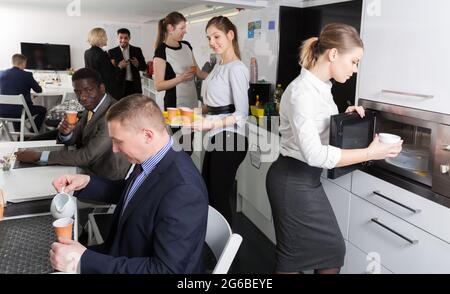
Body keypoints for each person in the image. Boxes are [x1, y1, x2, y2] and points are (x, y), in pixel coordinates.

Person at [265, 23, 403, 274]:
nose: (355, 70)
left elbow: (317, 131)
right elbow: (315, 153)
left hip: (304, 180)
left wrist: (344, 119)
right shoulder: (302, 93)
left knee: (328, 253)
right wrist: (370, 154)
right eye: (354, 62)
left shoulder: (322, 88)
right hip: (292, 181)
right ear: (333, 54)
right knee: (298, 256)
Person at [49, 95, 208, 274]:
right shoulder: (153, 159)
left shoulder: (183, 190)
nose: (115, 149)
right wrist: (87, 182)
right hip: (124, 256)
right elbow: (137, 194)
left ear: (147, 135)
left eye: (118, 141)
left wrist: (83, 261)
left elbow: (166, 270)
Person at [15, 68, 130, 181]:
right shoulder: (93, 105)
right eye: (77, 92)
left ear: (101, 88)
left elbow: (86, 156)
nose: (82, 97)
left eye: (89, 90)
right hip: (85, 167)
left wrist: (39, 156)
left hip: (105, 178)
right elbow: (75, 138)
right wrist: (67, 133)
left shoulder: (113, 114)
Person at [191, 16, 249, 225]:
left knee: (218, 197)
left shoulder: (237, 68)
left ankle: (226, 251)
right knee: (207, 191)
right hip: (218, 135)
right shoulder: (218, 65)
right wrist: (196, 111)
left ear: (230, 35)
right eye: (209, 38)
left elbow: (241, 113)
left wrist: (210, 123)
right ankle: (214, 245)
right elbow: (217, 104)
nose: (212, 42)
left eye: (216, 36)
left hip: (232, 139)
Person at [153, 11, 208, 110]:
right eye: (182, 28)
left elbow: (198, 72)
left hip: (192, 101)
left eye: (185, 28)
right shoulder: (161, 51)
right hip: (174, 105)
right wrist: (181, 78)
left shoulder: (186, 46)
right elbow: (158, 86)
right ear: (170, 28)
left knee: (192, 125)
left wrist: (216, 77)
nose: (185, 31)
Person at [0, 53, 47, 132]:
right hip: (20, 111)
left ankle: (18, 135)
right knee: (43, 110)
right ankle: (33, 132)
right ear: (23, 63)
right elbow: (39, 90)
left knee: (15, 106)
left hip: (2, 111)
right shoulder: (27, 75)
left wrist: (28, 95)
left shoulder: (2, 74)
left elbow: (11, 90)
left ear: (12, 62)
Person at [108, 28, 147, 99]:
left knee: (135, 108)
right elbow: (110, 73)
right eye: (121, 38)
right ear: (117, 38)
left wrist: (137, 64)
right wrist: (119, 66)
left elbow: (144, 67)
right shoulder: (111, 52)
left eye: (126, 38)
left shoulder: (137, 50)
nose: (123, 40)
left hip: (134, 86)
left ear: (129, 38)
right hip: (119, 88)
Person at [84, 27, 121, 99]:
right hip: (105, 91)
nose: (107, 39)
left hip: (93, 89)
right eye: (105, 36)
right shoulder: (102, 54)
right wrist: (119, 66)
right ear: (100, 38)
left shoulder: (87, 53)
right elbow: (109, 76)